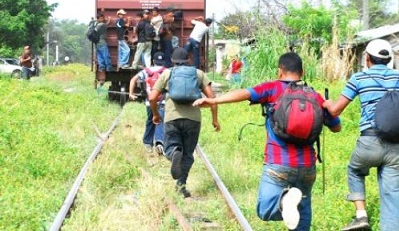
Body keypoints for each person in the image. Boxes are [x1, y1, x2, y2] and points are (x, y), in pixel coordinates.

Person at [193, 52, 341, 230]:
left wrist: (213, 100)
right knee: (302, 213)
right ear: (302, 72)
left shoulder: (273, 88)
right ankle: (290, 203)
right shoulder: (315, 96)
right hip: (307, 166)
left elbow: (244, 93)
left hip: (279, 163)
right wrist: (328, 105)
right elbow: (336, 127)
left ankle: (285, 201)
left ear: (280, 71)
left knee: (265, 209)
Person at [323, 39, 399, 231]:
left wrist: (326, 103)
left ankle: (361, 216)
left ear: (367, 58)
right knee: (393, 194)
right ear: (389, 59)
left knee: (355, 171)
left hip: (369, 142)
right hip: (398, 146)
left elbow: (335, 111)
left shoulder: (359, 78)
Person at [148, 47, 220, 198]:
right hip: (193, 119)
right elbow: (212, 98)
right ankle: (181, 186)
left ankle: (174, 153)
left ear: (173, 61)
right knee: (187, 154)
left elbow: (152, 97)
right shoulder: (198, 74)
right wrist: (215, 120)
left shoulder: (167, 73)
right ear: (188, 60)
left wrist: (155, 114)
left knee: (171, 148)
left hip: (172, 118)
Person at [129, 53, 167, 155]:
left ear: (153, 61)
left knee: (150, 120)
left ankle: (147, 143)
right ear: (163, 61)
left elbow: (133, 80)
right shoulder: (166, 71)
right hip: (162, 101)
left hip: (149, 101)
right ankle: (159, 142)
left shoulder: (146, 71)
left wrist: (131, 93)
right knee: (160, 120)